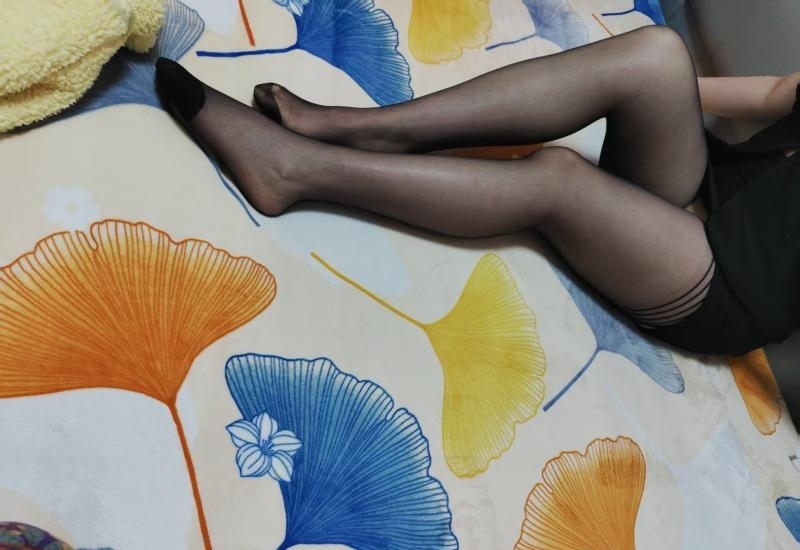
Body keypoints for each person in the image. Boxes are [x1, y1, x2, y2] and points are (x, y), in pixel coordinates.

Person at [155, 25, 800, 358]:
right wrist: (637, 87)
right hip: (699, 192)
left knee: (560, 178)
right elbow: (777, 94)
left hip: (720, 282)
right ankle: (366, 128)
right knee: (658, 55)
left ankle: (293, 171)